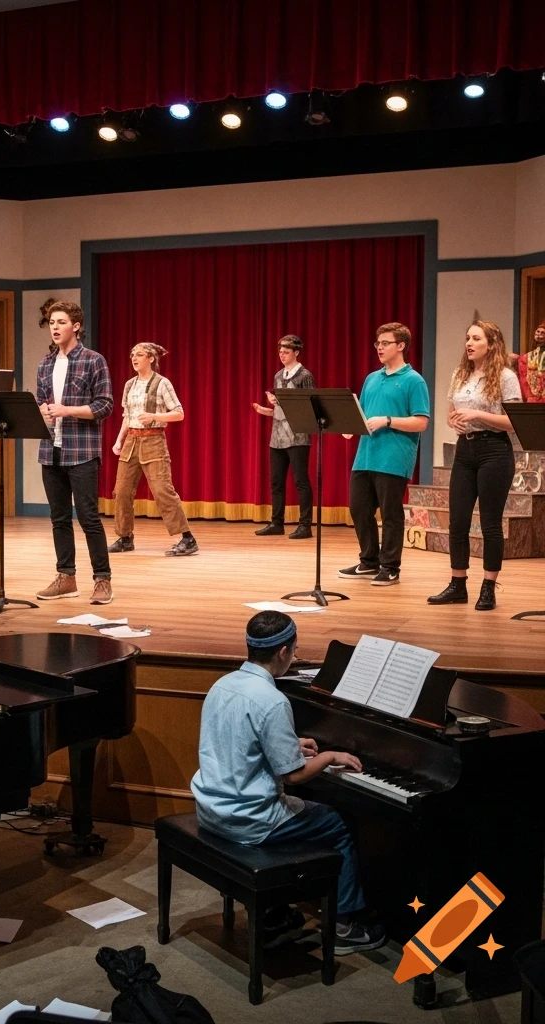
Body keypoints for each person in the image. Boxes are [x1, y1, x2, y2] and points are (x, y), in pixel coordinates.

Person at [191, 611, 386, 955]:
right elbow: (293, 777)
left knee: (311, 812)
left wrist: (289, 745)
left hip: (210, 810)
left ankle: (278, 908)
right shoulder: (273, 700)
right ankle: (344, 926)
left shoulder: (222, 685)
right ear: (282, 652)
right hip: (248, 821)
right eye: (294, 651)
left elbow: (237, 741)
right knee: (339, 824)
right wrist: (328, 757)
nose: (294, 657)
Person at [428, 318, 520, 611]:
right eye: (468, 338)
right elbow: (451, 413)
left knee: (491, 524)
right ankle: (458, 584)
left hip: (494, 451)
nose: (469, 343)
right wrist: (454, 420)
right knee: (458, 521)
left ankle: (489, 587)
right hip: (464, 450)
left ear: (491, 344)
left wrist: (476, 415)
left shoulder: (505, 377)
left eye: (476, 339)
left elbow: (512, 422)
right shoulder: (459, 374)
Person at [35, 301, 115, 605]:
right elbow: (42, 402)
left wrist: (68, 410)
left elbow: (104, 405)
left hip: (81, 451)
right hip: (50, 450)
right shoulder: (45, 363)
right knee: (58, 518)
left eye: (61, 322)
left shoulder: (94, 361)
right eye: (52, 322)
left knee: (88, 517)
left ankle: (102, 579)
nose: (55, 327)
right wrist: (42, 412)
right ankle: (66, 577)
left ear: (76, 326)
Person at [338, 322, 430, 586]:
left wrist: (388, 420)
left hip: (393, 456)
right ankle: (369, 561)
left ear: (401, 346)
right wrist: (350, 427)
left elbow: (421, 422)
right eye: (377, 343)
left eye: (385, 343)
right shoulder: (371, 378)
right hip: (366, 454)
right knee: (358, 508)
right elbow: (365, 414)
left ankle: (390, 567)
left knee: (390, 514)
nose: (379, 347)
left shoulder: (414, 380)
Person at [108, 343, 197, 556]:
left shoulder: (162, 383)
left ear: (151, 358)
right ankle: (125, 537)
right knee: (121, 491)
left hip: (153, 441)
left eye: (139, 355)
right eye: (132, 355)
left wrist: (155, 416)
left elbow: (179, 413)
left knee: (162, 490)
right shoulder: (129, 385)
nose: (134, 358)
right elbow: (127, 417)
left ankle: (187, 538)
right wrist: (119, 440)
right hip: (131, 441)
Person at [252, 334, 315, 539]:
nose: (282, 355)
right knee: (276, 481)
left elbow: (309, 406)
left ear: (296, 352)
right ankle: (276, 522)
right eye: (280, 351)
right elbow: (281, 409)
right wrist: (267, 410)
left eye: (286, 351)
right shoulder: (279, 375)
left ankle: (305, 525)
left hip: (297, 436)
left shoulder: (305, 376)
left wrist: (279, 404)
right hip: (277, 435)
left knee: (301, 481)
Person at [514, 321, 545, 402]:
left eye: (542, 333)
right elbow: (524, 381)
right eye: (538, 331)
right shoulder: (525, 358)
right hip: (533, 399)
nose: (539, 334)